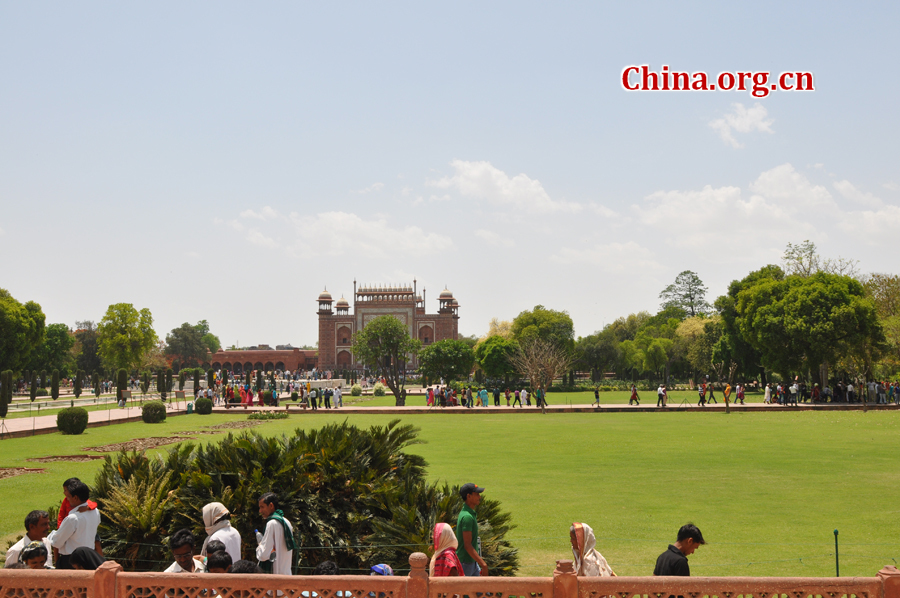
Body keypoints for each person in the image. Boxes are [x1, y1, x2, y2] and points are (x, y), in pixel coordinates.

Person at [50, 480, 100, 569]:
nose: (67, 499)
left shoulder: (73, 519)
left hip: (71, 562)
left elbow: (56, 542)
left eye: (68, 497)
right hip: (89, 560)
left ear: (76, 498)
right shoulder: (95, 512)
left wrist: (51, 535)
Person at [256, 492, 295, 575]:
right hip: (286, 575)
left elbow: (263, 555)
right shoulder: (286, 522)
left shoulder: (272, 524)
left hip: (274, 577)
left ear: (271, 505)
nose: (260, 511)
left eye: (262, 507)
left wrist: (259, 547)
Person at [455, 483, 488, 577]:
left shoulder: (468, 514)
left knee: (481, 591)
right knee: (466, 591)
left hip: (470, 562)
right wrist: (483, 565)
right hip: (466, 563)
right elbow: (467, 545)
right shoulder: (467, 517)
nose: (480, 497)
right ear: (469, 496)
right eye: (477, 494)